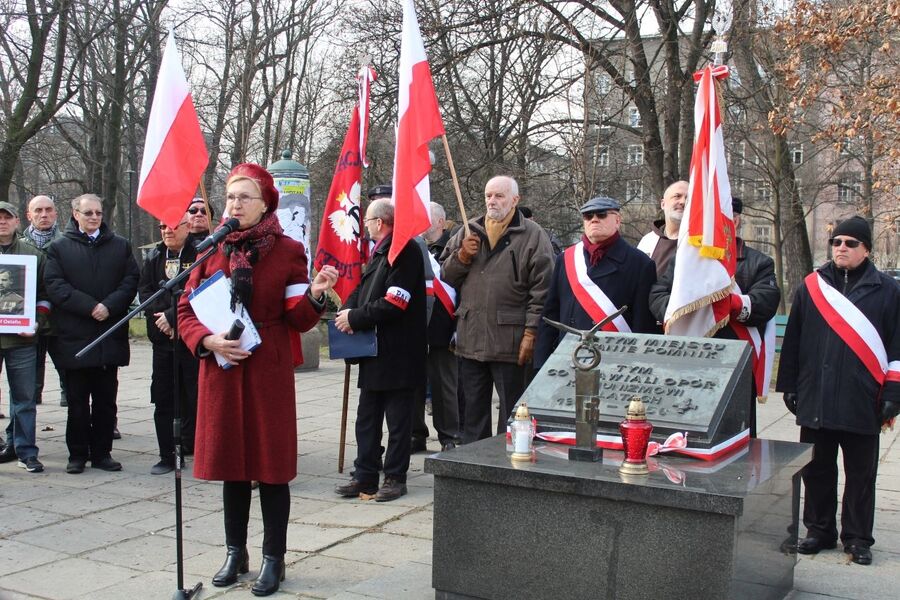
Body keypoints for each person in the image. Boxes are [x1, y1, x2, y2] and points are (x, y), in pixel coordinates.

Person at [179, 163, 337, 596]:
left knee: (271, 468)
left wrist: (317, 294)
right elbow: (185, 311)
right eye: (230, 197)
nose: (235, 204)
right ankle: (235, 552)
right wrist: (208, 341)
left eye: (244, 197)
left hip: (266, 369)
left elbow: (298, 318)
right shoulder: (212, 250)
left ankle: (274, 557)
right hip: (223, 370)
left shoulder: (286, 250)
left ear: (266, 202)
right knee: (233, 465)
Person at [776, 216, 900, 566]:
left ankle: (858, 538)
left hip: (864, 398)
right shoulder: (812, 287)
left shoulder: (888, 290)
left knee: (861, 474)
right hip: (816, 393)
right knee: (818, 469)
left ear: (867, 249)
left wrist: (894, 393)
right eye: (837, 242)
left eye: (850, 243)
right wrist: (788, 385)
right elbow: (795, 339)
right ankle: (819, 531)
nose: (841, 248)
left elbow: (897, 345)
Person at [649, 197, 780, 437]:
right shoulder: (686, 261)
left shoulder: (759, 262)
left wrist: (720, 303)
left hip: (735, 363)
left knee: (735, 436)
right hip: (690, 360)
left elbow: (765, 302)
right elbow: (658, 295)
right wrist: (686, 309)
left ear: (735, 221)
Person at [441, 175, 554, 443]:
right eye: (489, 195)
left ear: (515, 200)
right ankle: (474, 466)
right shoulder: (468, 231)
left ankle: (507, 469)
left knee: (513, 415)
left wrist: (531, 332)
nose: (492, 201)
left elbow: (543, 290)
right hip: (471, 338)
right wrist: (462, 257)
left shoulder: (533, 235)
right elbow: (445, 277)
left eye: (499, 196)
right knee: (472, 415)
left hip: (511, 342)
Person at [334, 198, 427, 502]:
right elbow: (362, 290)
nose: (365, 227)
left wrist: (356, 317)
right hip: (374, 352)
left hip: (399, 353)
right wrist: (346, 313)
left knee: (398, 421)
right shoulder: (379, 253)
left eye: (368, 221)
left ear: (380, 222)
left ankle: (395, 477)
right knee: (367, 418)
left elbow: (395, 302)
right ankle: (365, 475)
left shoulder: (406, 251)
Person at [44, 194, 139, 474]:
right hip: (75, 335)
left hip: (109, 334)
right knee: (77, 402)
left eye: (98, 213)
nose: (94, 217)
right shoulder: (59, 248)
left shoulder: (120, 246)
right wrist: (90, 307)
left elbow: (130, 280)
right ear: (75, 214)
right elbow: (55, 284)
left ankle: (102, 453)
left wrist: (109, 306)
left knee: (106, 401)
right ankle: (77, 454)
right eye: (88, 213)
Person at [534, 196, 657, 368]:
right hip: (570, 355)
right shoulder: (566, 258)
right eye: (588, 216)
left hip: (616, 360)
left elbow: (642, 322)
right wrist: (541, 362)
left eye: (601, 214)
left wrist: (639, 365)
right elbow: (551, 312)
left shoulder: (640, 263)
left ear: (617, 220)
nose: (594, 219)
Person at [138, 215, 199, 474]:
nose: (167, 231)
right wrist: (163, 319)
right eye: (163, 226)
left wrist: (175, 318)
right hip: (162, 340)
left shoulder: (200, 253)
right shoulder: (154, 257)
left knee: (196, 398)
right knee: (163, 399)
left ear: (188, 227)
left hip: (192, 340)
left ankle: (200, 449)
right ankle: (167, 455)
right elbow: (146, 291)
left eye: (173, 226)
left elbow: (198, 289)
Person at [0, 201, 49, 473]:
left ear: (18, 221)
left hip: (22, 340)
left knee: (25, 399)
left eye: (7, 217)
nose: (2, 222)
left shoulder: (32, 255)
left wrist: (35, 323)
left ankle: (26, 451)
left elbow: (44, 296)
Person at [422, 201, 460, 451]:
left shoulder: (455, 246)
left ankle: (449, 437)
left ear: (438, 221)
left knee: (444, 386)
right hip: (416, 326)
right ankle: (416, 433)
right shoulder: (414, 247)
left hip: (443, 325)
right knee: (413, 385)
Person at [23, 195, 68, 407]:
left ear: (56, 214)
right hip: (29, 319)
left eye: (48, 210)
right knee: (29, 376)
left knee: (68, 370)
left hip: (61, 318)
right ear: (28, 215)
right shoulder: (19, 246)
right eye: (38, 210)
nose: (44, 215)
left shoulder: (68, 243)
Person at [637, 180, 688, 277]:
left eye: (688, 198)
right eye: (677, 196)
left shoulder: (701, 242)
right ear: (663, 204)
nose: (683, 202)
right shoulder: (648, 241)